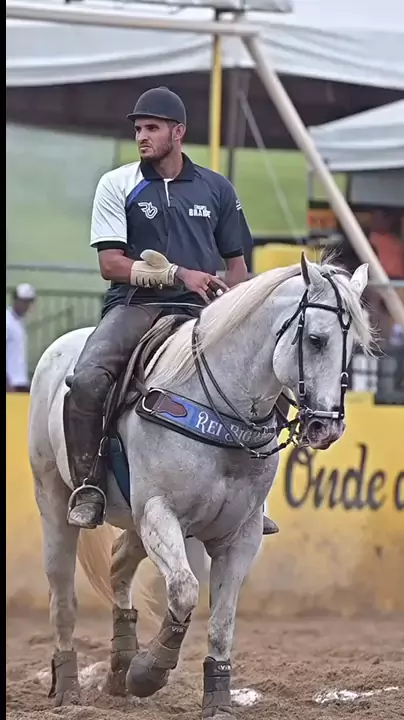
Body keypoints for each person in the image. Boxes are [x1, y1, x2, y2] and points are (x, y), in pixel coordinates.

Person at [64, 86, 279, 535]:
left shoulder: (216, 188)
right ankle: (88, 486)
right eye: (138, 129)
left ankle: (252, 497)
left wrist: (231, 304)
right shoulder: (117, 183)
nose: (142, 136)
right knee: (86, 380)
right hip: (136, 306)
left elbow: (238, 266)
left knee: (265, 375)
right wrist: (179, 274)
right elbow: (110, 265)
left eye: (152, 128)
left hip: (204, 310)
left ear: (178, 132)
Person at [6, 283, 36, 392]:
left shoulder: (18, 322)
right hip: (10, 383)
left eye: (28, 302)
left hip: (20, 381)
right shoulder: (8, 321)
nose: (26, 306)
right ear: (15, 300)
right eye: (23, 301)